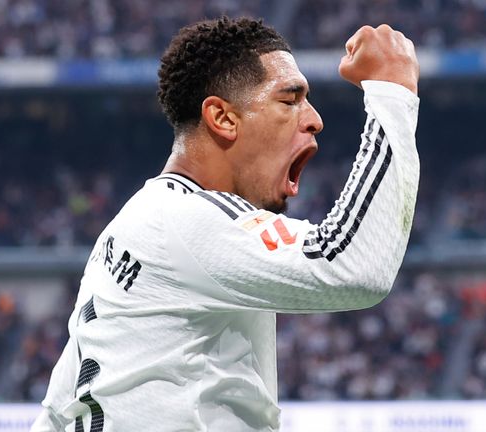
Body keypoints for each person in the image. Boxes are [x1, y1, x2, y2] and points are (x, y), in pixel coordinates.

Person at [32, 16, 420, 431]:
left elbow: (58, 408)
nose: (314, 119)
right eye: (289, 101)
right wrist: (392, 92)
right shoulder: (187, 221)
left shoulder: (131, 227)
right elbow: (351, 265)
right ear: (223, 118)